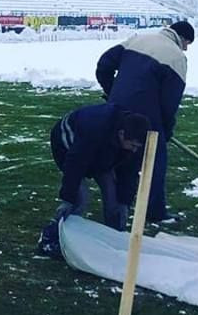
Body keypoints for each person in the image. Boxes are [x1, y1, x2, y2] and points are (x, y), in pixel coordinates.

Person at [95, 20, 194, 224]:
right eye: (187, 44)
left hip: (116, 111)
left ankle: (117, 206)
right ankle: (155, 211)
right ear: (182, 38)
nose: (186, 48)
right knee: (155, 161)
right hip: (148, 117)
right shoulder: (177, 58)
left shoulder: (137, 39)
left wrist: (112, 92)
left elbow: (104, 65)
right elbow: (169, 103)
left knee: (121, 155)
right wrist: (166, 129)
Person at [36, 105, 149, 258]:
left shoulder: (135, 139)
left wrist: (124, 202)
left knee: (114, 199)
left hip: (103, 154)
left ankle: (114, 237)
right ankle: (50, 238)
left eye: (137, 147)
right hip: (69, 148)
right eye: (133, 145)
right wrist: (68, 198)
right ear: (121, 134)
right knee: (79, 199)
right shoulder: (95, 127)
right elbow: (75, 164)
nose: (135, 150)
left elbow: (129, 173)